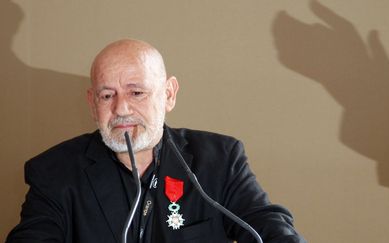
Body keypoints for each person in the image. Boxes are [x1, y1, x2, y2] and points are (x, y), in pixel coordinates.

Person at [6, 39, 306, 243]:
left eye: (136, 93)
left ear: (169, 94)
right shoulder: (54, 172)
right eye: (107, 95)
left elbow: (267, 224)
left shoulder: (221, 159)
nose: (121, 109)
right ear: (91, 102)